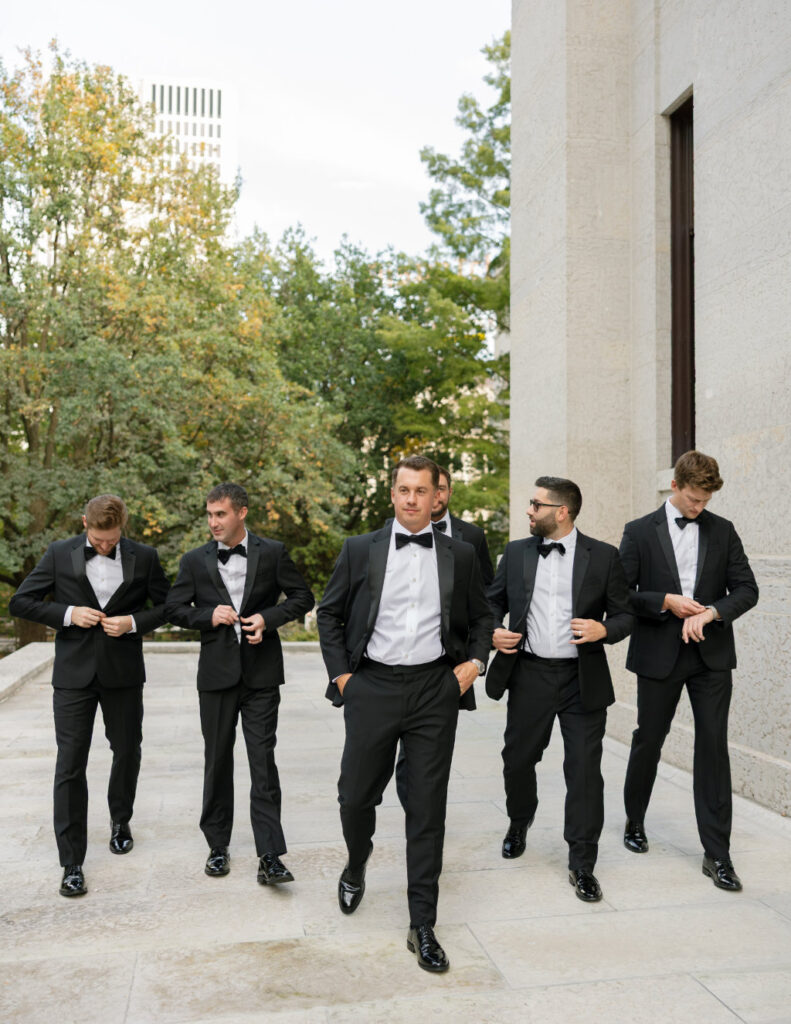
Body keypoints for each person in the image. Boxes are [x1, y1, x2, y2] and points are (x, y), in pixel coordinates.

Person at [316, 454, 492, 973]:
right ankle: (356, 860)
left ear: (438, 496)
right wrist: (344, 677)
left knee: (427, 806)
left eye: (422, 491)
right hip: (370, 685)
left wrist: (474, 664)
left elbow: (484, 616)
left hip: (434, 690)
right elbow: (329, 613)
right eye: (403, 490)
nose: (412, 499)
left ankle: (422, 924)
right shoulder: (359, 549)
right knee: (355, 795)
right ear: (392, 494)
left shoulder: (460, 554)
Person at [9, 494, 170, 898]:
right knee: (70, 764)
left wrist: (133, 622)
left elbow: (169, 607)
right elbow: (21, 601)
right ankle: (71, 862)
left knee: (128, 750)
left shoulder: (145, 557)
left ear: (123, 528)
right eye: (98, 540)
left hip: (124, 674)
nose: (104, 546)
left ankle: (120, 821)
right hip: (73, 678)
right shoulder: (58, 553)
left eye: (111, 540)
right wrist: (68, 614)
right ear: (85, 523)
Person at [486, 476, 632, 902]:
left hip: (580, 679)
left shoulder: (603, 557)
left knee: (584, 772)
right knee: (517, 759)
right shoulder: (514, 553)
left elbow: (626, 615)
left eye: (536, 504)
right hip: (528, 673)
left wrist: (604, 627)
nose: (528, 510)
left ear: (561, 511)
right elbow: (491, 602)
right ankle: (519, 819)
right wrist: (495, 629)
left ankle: (582, 862)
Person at [619, 450, 758, 890]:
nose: (700, 508)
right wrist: (665, 601)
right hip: (659, 654)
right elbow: (622, 593)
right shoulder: (639, 531)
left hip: (710, 658)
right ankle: (634, 819)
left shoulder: (724, 531)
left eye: (706, 502)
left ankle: (718, 855)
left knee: (713, 748)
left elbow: (747, 589)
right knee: (649, 739)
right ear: (675, 486)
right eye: (695, 499)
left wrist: (712, 612)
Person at [165, 482, 314, 886]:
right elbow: (174, 607)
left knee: (263, 761)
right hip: (215, 676)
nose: (213, 522)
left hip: (261, 674)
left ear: (242, 513)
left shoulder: (274, 552)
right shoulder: (194, 560)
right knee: (217, 759)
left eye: (221, 514)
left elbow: (302, 597)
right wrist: (207, 615)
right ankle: (217, 846)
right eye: (210, 514)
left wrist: (269, 618)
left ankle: (270, 855)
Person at [431, 466, 494, 586]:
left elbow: (487, 586)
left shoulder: (474, 535)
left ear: (450, 492)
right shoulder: (405, 533)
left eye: (441, 488)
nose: (435, 495)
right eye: (430, 489)